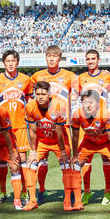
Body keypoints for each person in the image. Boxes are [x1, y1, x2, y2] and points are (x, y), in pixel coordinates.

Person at [30, 45, 78, 205]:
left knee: (66, 160)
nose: (51, 58)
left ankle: (70, 193)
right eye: (48, 56)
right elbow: (30, 96)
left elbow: (79, 92)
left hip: (62, 124)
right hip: (42, 125)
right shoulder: (37, 76)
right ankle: (41, 190)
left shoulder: (70, 75)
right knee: (41, 160)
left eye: (54, 56)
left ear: (60, 58)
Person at [24, 81, 76, 211]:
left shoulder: (59, 105)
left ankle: (68, 200)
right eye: (38, 94)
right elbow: (32, 130)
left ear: (49, 94)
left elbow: (59, 131)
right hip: (42, 141)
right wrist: (33, 151)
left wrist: (63, 151)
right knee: (30, 165)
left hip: (59, 142)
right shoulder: (30, 106)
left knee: (66, 166)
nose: (40, 97)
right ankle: (32, 200)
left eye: (43, 94)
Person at [0, 49, 33, 206]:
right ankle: (2, 193)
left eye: (13, 61)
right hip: (3, 128)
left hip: (20, 126)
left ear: (17, 62)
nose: (10, 63)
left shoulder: (26, 80)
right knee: (2, 161)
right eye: (8, 61)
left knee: (22, 159)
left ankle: (24, 192)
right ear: (4, 63)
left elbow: (29, 103)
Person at [77, 49, 110, 205]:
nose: (90, 61)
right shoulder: (80, 78)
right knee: (86, 160)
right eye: (88, 59)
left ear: (98, 60)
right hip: (87, 125)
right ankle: (86, 192)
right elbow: (73, 95)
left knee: (106, 160)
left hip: (103, 122)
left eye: (93, 58)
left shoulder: (107, 76)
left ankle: (107, 193)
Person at [70, 89, 110, 211]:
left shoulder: (105, 114)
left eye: (91, 102)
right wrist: (75, 155)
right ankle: (78, 200)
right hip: (89, 143)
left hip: (106, 143)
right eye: (85, 102)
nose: (88, 105)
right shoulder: (77, 114)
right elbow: (76, 136)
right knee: (76, 165)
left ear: (98, 104)